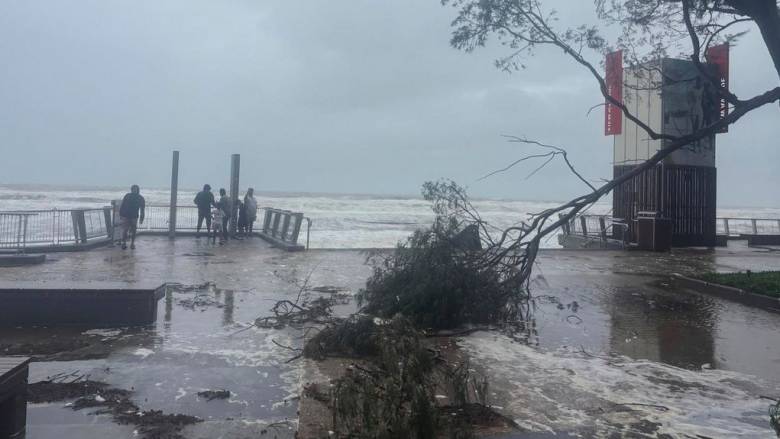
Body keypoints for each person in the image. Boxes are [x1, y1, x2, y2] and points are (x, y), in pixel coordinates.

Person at [119, 184, 145, 250]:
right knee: (125, 230)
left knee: (134, 231)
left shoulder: (140, 198)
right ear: (131, 189)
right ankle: (123, 243)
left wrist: (142, 218)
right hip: (126, 215)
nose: (134, 190)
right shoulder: (127, 196)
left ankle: (132, 243)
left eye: (136, 189)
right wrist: (121, 214)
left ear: (138, 190)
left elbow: (142, 209)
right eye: (133, 189)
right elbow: (122, 205)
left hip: (134, 216)